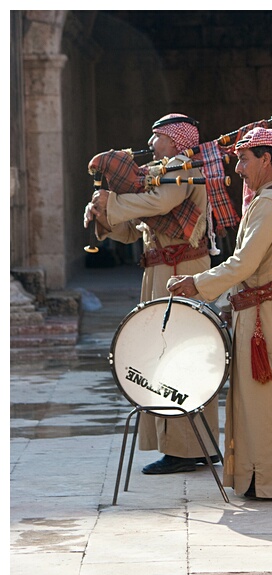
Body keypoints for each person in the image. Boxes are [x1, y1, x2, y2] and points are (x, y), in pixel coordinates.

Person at [167, 126, 272, 500]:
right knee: (252, 400)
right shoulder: (270, 198)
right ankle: (258, 480)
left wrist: (198, 282)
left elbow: (245, 262)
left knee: (269, 398)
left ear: (267, 159)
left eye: (245, 160)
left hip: (268, 315)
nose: (239, 170)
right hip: (260, 310)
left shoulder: (269, 202)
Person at [84, 113, 220, 475]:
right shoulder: (161, 174)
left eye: (156, 136)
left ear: (176, 140)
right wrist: (103, 216)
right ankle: (194, 444)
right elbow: (135, 233)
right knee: (164, 354)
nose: (150, 143)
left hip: (182, 272)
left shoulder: (183, 168)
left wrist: (112, 202)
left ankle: (187, 449)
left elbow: (160, 203)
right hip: (160, 272)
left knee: (179, 353)